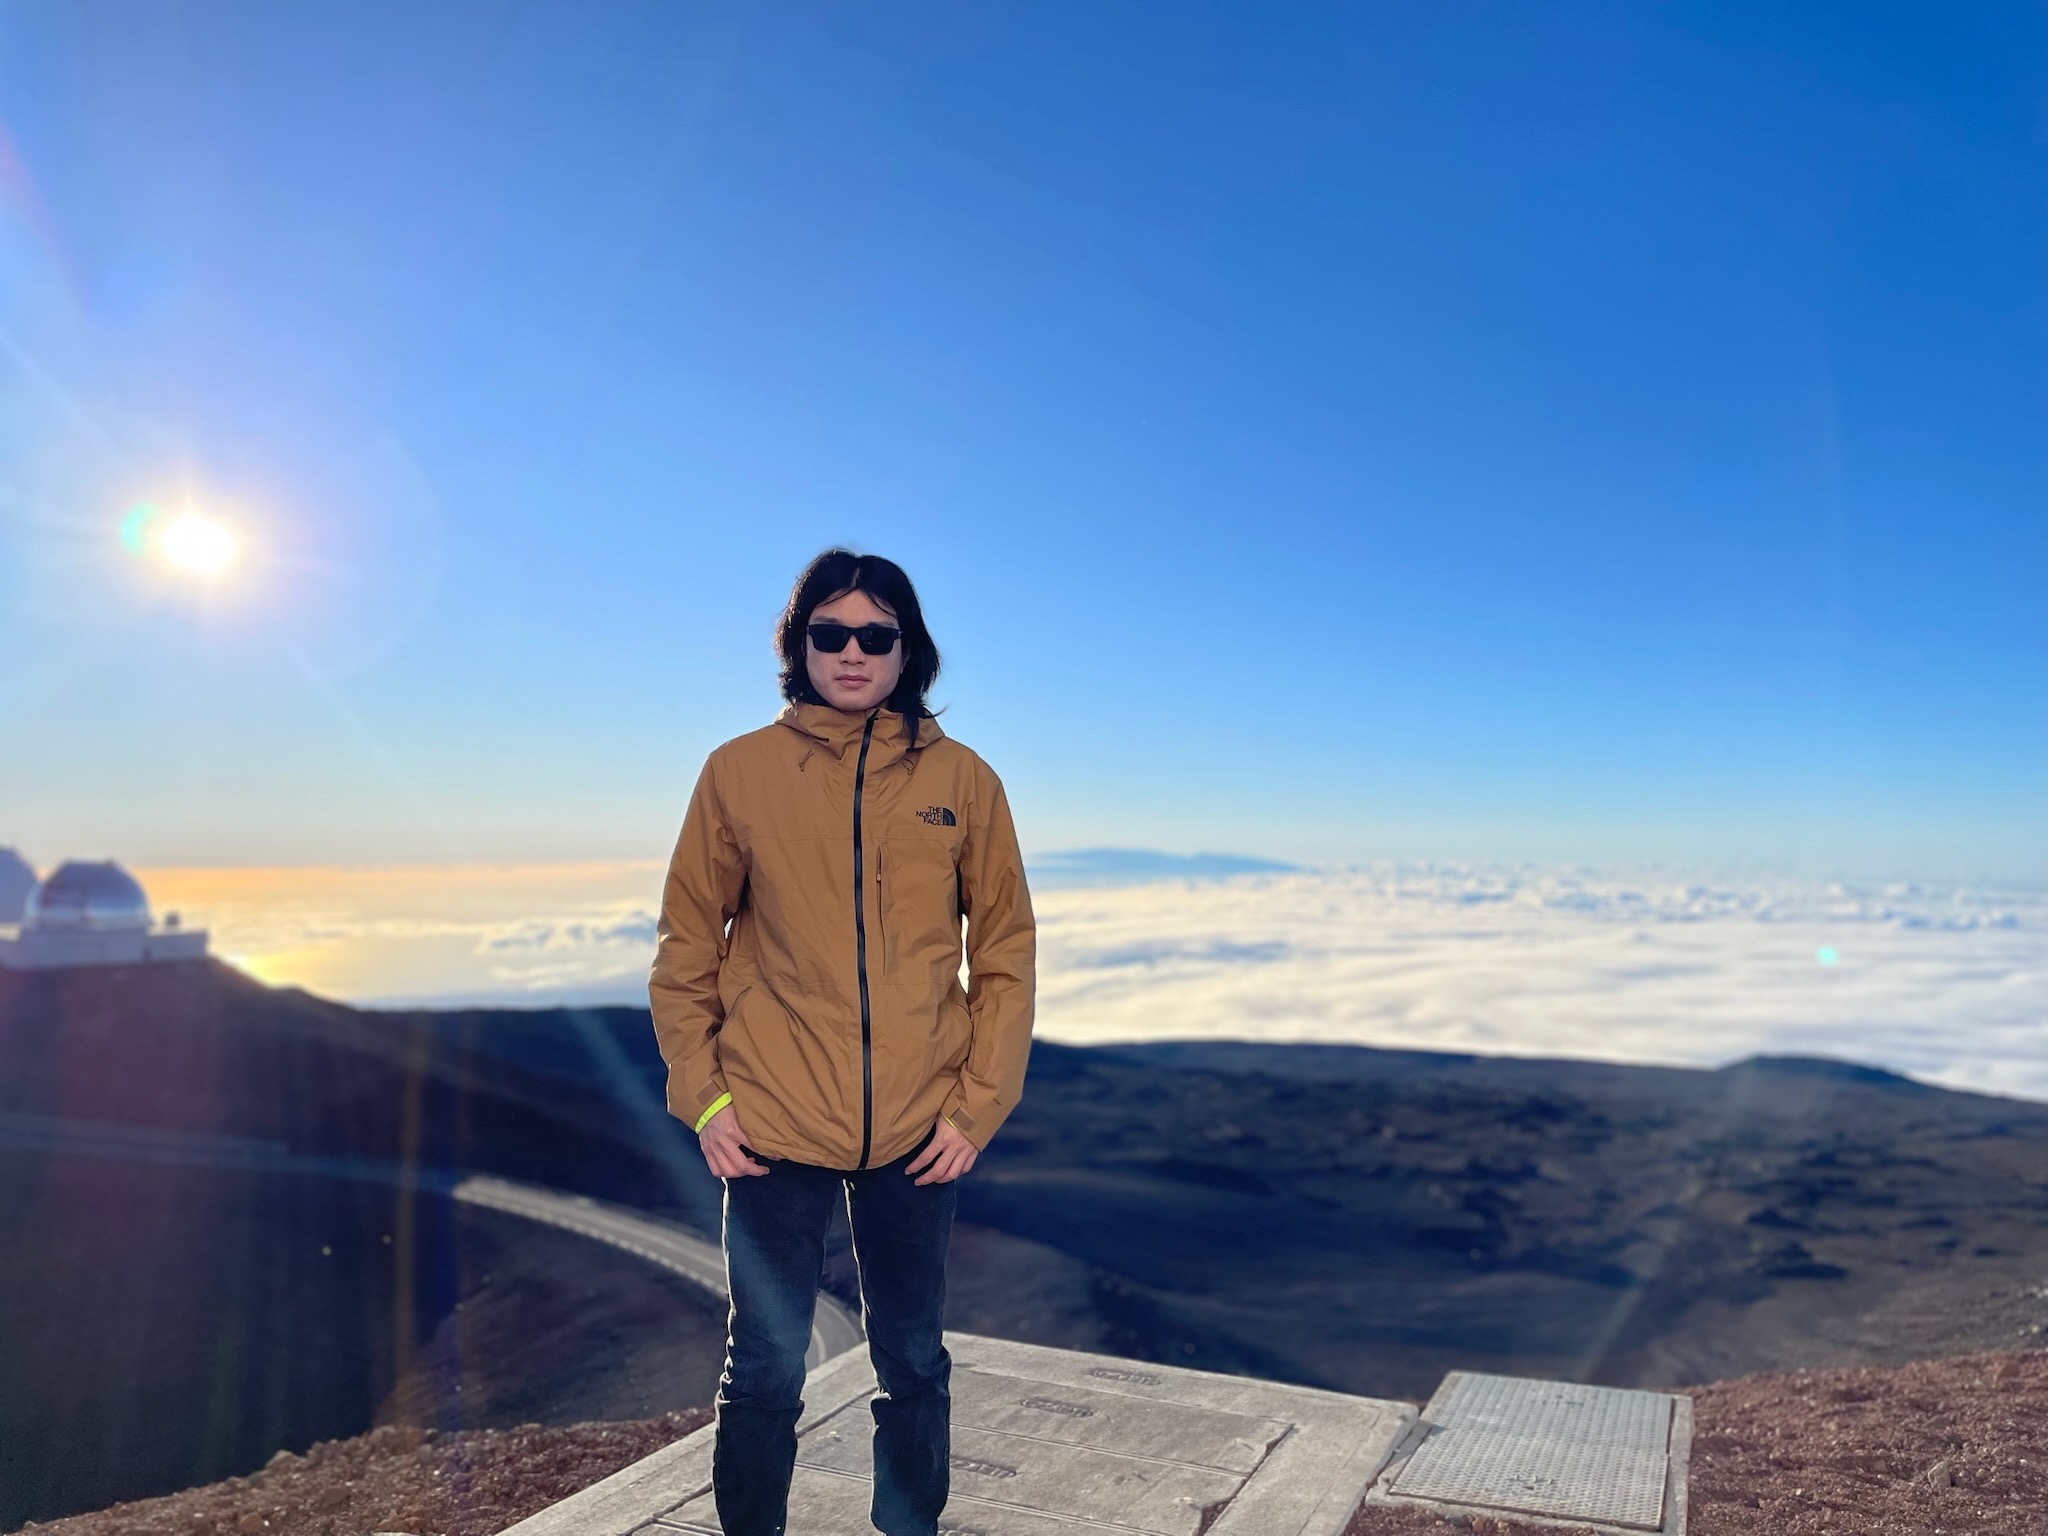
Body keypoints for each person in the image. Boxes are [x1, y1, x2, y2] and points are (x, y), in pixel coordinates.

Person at [649, 549, 1036, 1536]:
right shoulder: (738, 772)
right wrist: (704, 1096)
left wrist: (976, 1104)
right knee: (766, 1368)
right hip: (770, 1117)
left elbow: (1003, 952)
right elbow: (687, 945)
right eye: (832, 633)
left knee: (909, 1359)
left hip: (918, 1124)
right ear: (799, 645)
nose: (853, 651)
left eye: (876, 635)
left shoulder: (964, 781)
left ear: (909, 650)